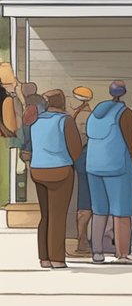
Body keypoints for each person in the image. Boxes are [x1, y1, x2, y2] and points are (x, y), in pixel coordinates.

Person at [29, 89, 83, 269]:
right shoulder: (65, 120)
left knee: (45, 215)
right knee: (58, 216)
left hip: (37, 170)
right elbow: (75, 150)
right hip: (59, 171)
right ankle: (57, 259)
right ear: (62, 103)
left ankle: (44, 257)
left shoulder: (36, 121)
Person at [85, 81, 132, 264]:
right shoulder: (125, 113)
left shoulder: (95, 114)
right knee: (122, 211)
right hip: (118, 166)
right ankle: (122, 253)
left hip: (93, 166)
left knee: (99, 211)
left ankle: (97, 252)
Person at [70, 86, 95, 258]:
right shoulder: (89, 116)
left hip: (78, 161)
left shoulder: (76, 117)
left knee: (82, 202)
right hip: (87, 160)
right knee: (86, 202)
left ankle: (82, 239)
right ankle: (82, 240)